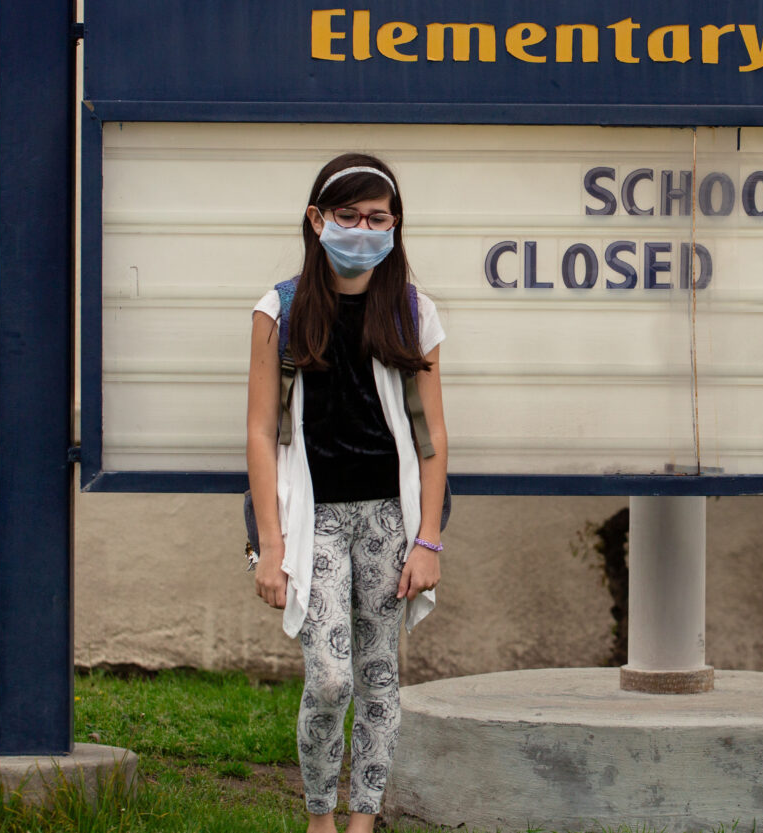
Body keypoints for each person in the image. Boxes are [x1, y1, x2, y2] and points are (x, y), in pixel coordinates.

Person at [246, 153, 448, 833]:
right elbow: (260, 431)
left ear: (395, 226)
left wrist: (428, 541)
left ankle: (362, 821)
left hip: (390, 521)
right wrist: (269, 548)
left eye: (377, 218)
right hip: (316, 520)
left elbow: (432, 437)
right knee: (331, 677)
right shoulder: (280, 308)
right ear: (317, 220)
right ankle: (318, 816)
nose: (363, 229)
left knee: (380, 676)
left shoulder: (412, 313)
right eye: (348, 216)